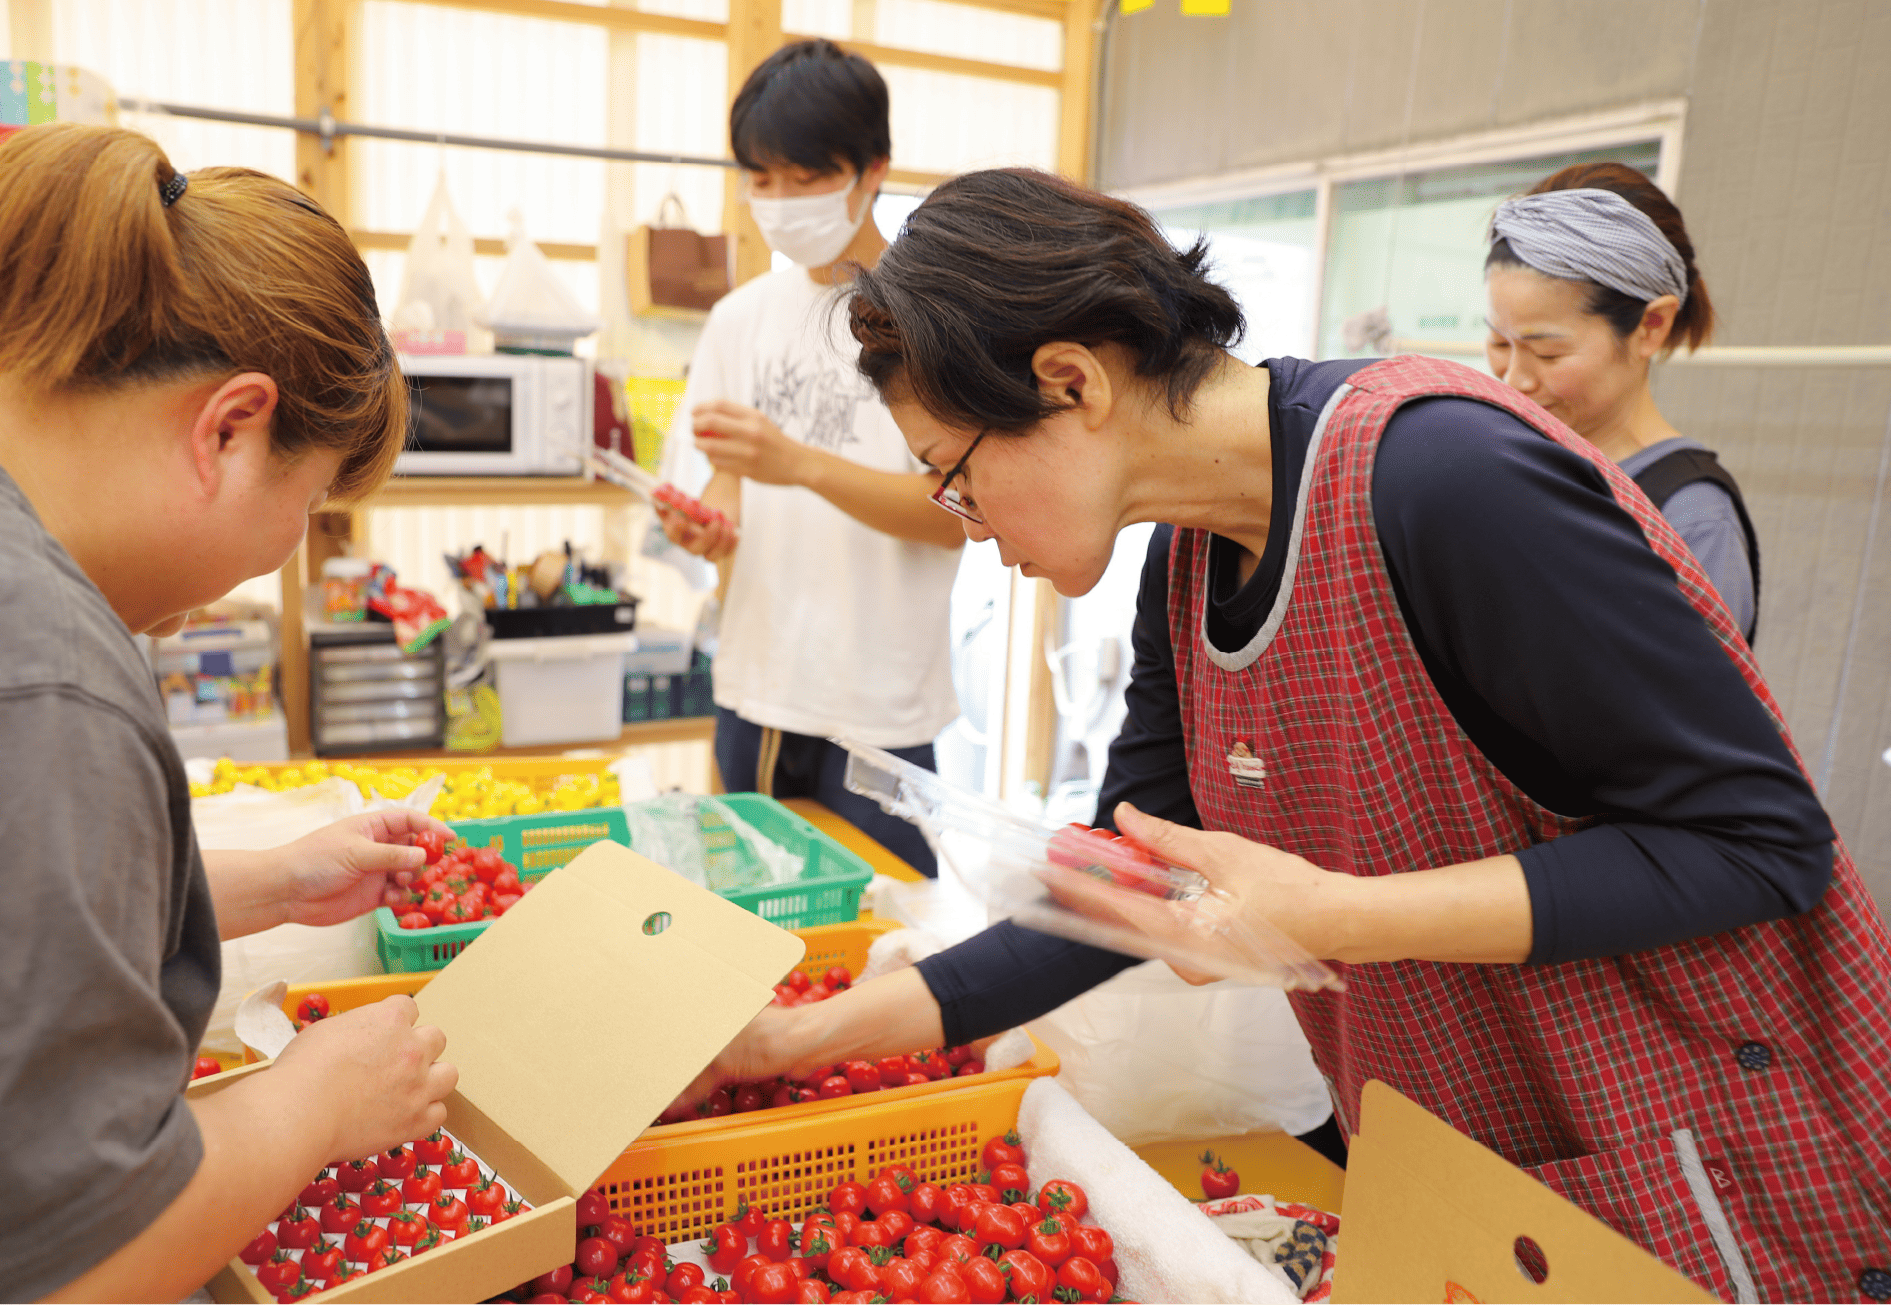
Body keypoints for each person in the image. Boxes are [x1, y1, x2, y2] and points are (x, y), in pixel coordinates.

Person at [688, 169, 1891, 1303]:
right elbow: (1121, 893)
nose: (966, 521)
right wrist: (792, 1039)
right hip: (1483, 1170)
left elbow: (1757, 842)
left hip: (1696, 1154)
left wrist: (1337, 915)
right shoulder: (1184, 563)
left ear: (1070, 381)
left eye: (954, 474)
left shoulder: (1438, 476)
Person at [0, 123, 458, 1303]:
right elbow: (48, 1274)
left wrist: (251, 885)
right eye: (308, 505)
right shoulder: (12, 662)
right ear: (228, 428)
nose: (276, 562)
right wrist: (310, 1102)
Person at [654, 39, 965, 876]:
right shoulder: (740, 318)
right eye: (762, 179)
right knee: (743, 926)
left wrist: (798, 465)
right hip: (757, 686)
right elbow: (719, 484)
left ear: (873, 171)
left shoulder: (932, 320)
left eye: (806, 178)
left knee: (887, 934)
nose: (781, 200)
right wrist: (703, 527)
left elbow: (955, 519)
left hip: (882, 705)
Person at [1485, 161, 1761, 640]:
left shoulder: (1692, 521)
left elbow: (1692, 709)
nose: (1514, 380)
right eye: (1499, 344)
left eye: (1547, 352)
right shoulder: (1515, 460)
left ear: (1651, 327)